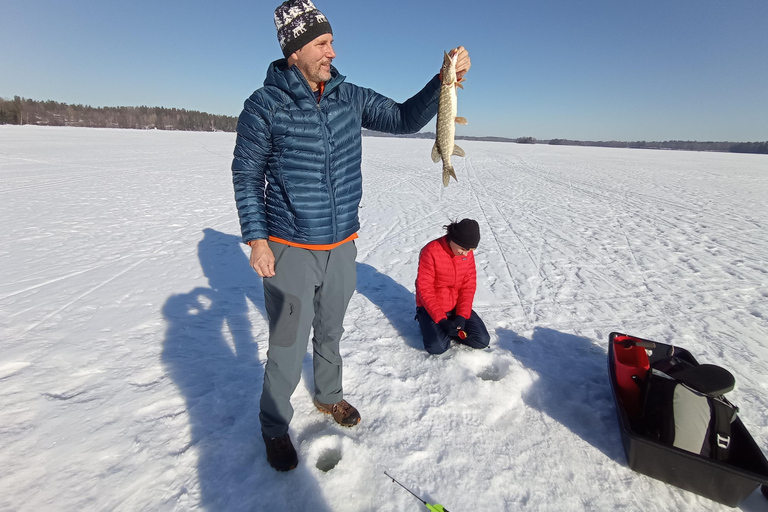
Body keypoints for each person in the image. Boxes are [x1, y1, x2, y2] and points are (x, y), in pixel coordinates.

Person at [231, 0, 471, 472]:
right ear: (294, 48)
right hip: (289, 246)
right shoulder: (264, 106)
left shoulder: (349, 96)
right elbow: (246, 174)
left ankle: (329, 396)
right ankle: (274, 426)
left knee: (332, 330)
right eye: (322, 43)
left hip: (341, 244)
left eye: (332, 42)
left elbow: (403, 118)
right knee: (286, 343)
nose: (332, 52)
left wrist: (442, 83)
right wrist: (257, 239)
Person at [415, 219, 490, 354]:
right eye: (463, 249)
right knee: (438, 347)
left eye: (470, 250)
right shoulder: (430, 251)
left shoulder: (467, 254)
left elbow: (468, 286)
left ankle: (450, 329)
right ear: (453, 239)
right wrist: (442, 320)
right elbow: (425, 289)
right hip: (433, 307)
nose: (465, 254)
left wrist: (461, 315)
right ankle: (426, 321)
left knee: (482, 340)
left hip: (455, 306)